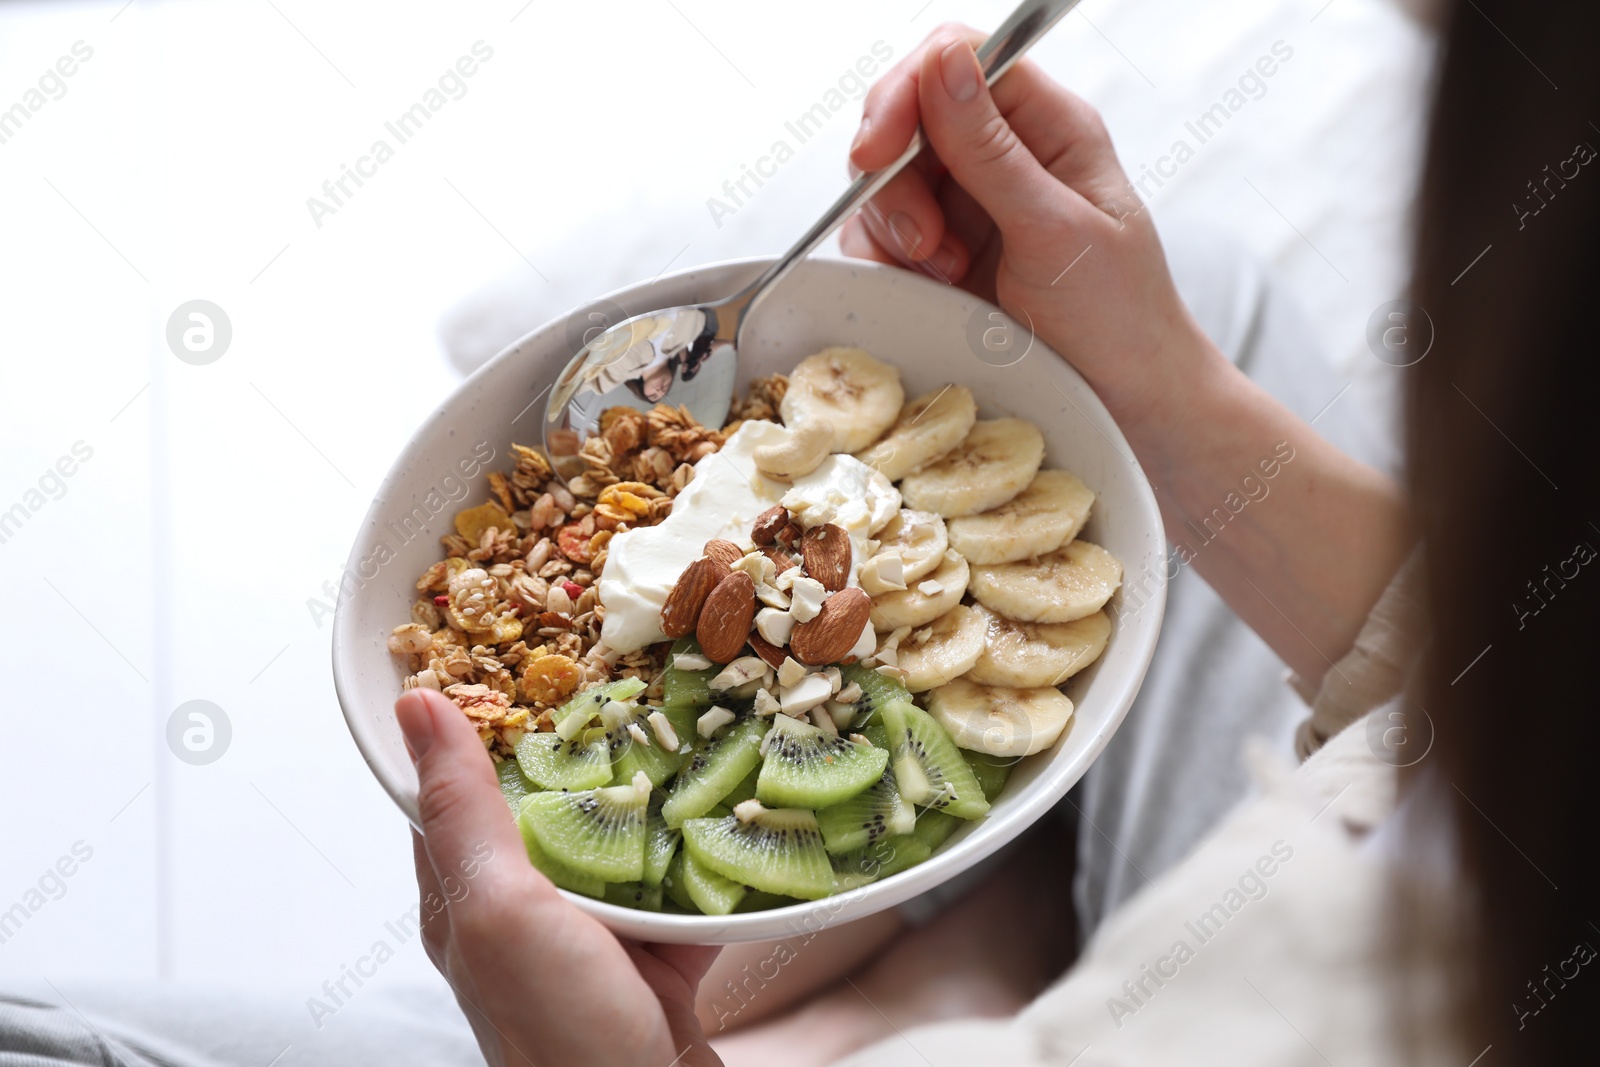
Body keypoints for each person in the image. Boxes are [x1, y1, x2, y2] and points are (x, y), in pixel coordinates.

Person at [391, 3, 1600, 1064]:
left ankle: (944, 965)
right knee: (1215, 281)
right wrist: (1160, 385)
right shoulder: (1534, 754)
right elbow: (1506, 690)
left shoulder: (1293, 1009)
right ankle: (975, 930)